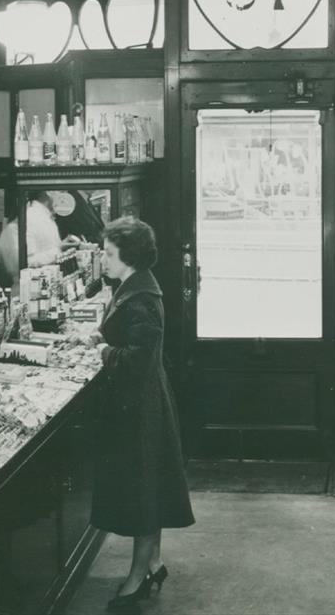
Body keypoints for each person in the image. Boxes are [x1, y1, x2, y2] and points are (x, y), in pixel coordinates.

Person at [83, 217, 194, 612]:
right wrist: (104, 335)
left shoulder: (142, 298)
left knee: (143, 491)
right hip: (144, 402)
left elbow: (138, 359)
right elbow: (128, 336)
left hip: (139, 408)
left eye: (108, 253)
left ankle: (136, 578)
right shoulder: (133, 286)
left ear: (127, 256)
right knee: (151, 486)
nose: (102, 259)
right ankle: (153, 562)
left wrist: (102, 352)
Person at [0, 190, 79, 285]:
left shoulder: (45, 217)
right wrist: (59, 249)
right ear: (49, 192)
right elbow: (23, 264)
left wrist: (62, 247)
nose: (66, 194)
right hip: (28, 291)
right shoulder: (30, 218)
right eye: (62, 191)